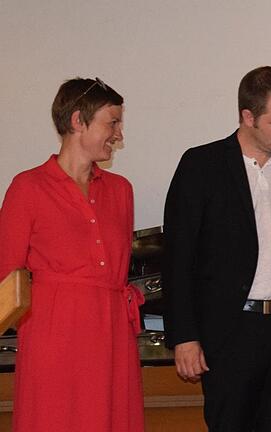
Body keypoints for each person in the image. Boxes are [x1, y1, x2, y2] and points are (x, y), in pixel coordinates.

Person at [163, 66, 271, 432]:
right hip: (231, 332)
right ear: (247, 116)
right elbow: (178, 259)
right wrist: (184, 337)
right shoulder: (201, 165)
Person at [0, 78, 143, 431]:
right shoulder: (27, 187)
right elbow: (5, 279)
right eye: (112, 122)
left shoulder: (121, 190)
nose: (119, 134)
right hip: (54, 334)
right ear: (78, 121)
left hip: (112, 333)